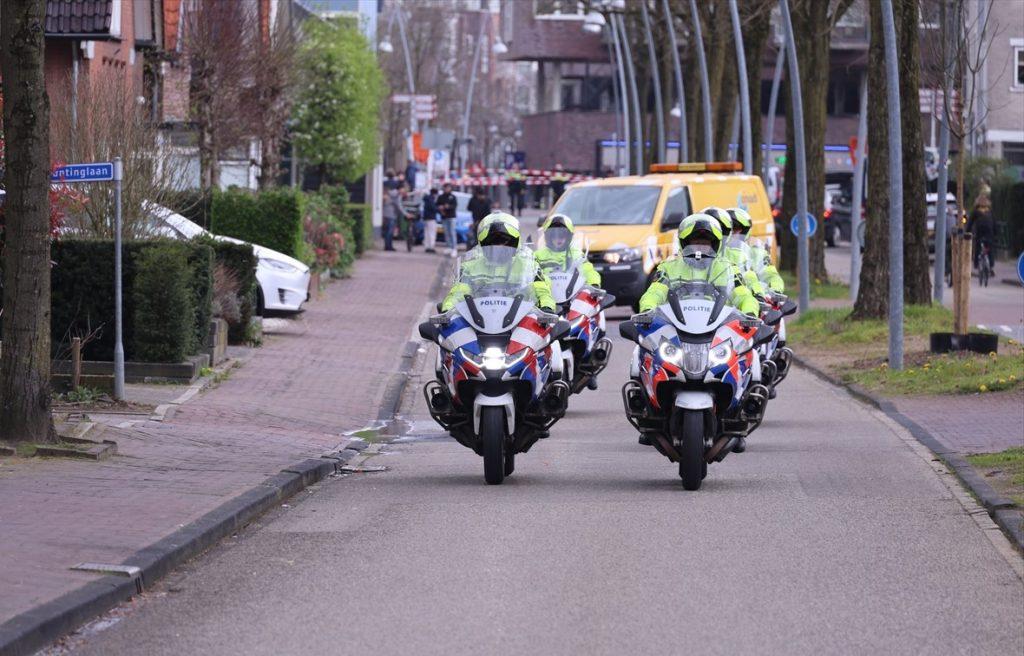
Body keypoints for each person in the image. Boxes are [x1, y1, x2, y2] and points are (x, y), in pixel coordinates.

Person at [637, 213, 759, 316]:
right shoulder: (668, 267)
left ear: (715, 245)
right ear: (684, 244)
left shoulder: (728, 268)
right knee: (645, 344)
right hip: (676, 327)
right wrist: (648, 309)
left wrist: (750, 313)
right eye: (695, 243)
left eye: (705, 244)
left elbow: (743, 295)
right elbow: (655, 292)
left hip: (719, 329)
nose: (700, 248)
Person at [442, 213, 556, 312]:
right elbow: (459, 291)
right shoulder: (470, 267)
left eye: (505, 243)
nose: (499, 248)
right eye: (493, 243)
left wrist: (547, 307)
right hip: (479, 321)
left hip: (519, 321)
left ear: (514, 244)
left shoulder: (527, 265)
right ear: (483, 245)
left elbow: (540, 289)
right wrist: (448, 308)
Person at [534, 214, 601, 286]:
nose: (558, 239)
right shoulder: (538, 256)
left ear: (569, 236)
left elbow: (589, 271)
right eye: (554, 235)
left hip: (571, 294)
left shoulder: (576, 255)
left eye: (562, 235)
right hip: (545, 294)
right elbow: (530, 273)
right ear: (548, 237)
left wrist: (594, 283)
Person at [966, 194, 995, 271]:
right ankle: (991, 266)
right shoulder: (989, 211)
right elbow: (994, 223)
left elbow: (970, 223)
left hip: (980, 231)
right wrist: (995, 234)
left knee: (978, 247)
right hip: (989, 231)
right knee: (989, 248)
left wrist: (967, 232)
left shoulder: (976, 211)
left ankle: (976, 264)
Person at [436, 182, 459, 258]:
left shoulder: (453, 197)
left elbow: (454, 206)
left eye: (448, 188)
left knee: (452, 232)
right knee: (446, 232)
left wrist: (448, 206)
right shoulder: (441, 197)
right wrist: (440, 209)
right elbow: (437, 205)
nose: (447, 189)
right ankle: (449, 247)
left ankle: (454, 248)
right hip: (444, 217)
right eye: (445, 188)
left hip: (451, 217)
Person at [381, 186, 404, 252]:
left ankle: (388, 246)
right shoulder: (396, 195)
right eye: (404, 189)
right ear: (400, 189)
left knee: (388, 231)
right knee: (389, 232)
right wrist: (406, 214)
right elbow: (398, 205)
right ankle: (388, 246)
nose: (404, 191)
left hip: (387, 214)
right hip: (390, 215)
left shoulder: (392, 193)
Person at [421, 188, 440, 253]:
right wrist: (439, 209)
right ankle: (431, 247)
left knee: (426, 233)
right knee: (432, 233)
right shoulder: (431, 200)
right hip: (431, 218)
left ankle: (427, 246)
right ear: (435, 194)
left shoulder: (426, 199)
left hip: (426, 218)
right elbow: (433, 208)